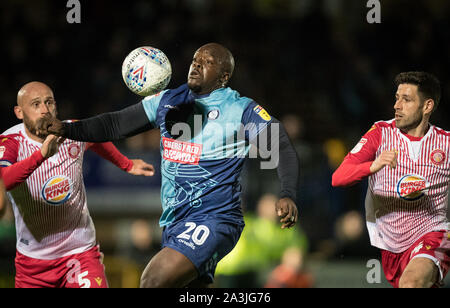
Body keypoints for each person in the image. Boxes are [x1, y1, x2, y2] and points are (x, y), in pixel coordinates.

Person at [38, 42, 300, 287]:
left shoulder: (240, 110)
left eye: (207, 62)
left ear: (223, 77)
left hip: (215, 219)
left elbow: (279, 145)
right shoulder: (168, 100)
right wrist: (65, 129)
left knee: (153, 279)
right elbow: (114, 124)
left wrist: (287, 193)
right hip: (175, 222)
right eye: (195, 60)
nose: (196, 65)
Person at [0, 81, 155, 288]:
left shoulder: (71, 130)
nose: (45, 110)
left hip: (80, 253)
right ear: (19, 112)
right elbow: (5, 180)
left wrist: (126, 164)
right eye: (36, 104)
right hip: (33, 264)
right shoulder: (10, 142)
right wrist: (41, 156)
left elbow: (95, 139)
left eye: (49, 102)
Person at [332, 71, 450, 288]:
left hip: (434, 234)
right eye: (397, 98)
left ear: (427, 106)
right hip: (391, 245)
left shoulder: (446, 144)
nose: (397, 105)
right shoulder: (380, 133)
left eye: (406, 100)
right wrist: (372, 166)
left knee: (412, 282)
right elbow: (338, 177)